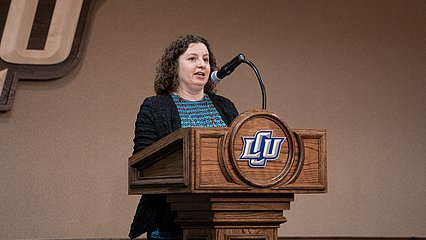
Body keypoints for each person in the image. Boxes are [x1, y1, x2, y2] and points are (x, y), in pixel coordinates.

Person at [129, 35, 239, 239]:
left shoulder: (226, 106)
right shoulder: (154, 107)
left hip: (227, 217)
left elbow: (240, 152)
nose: (201, 65)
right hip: (170, 220)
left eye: (206, 60)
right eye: (192, 58)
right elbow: (142, 164)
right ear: (174, 67)